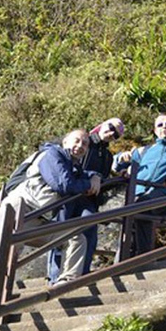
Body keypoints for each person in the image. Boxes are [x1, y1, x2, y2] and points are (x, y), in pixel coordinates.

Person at [2, 129, 101, 283]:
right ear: (65, 142)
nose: (80, 146)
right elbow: (63, 184)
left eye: (85, 144)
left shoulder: (72, 165)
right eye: (77, 140)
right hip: (21, 209)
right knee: (10, 249)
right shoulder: (52, 155)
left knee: (76, 238)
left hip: (38, 218)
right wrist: (89, 184)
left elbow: (81, 175)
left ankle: (67, 282)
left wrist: (96, 176)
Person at [47, 118, 123, 285]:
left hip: (88, 199)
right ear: (103, 124)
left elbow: (102, 180)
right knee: (61, 232)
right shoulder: (81, 142)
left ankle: (82, 274)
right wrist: (92, 177)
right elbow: (69, 169)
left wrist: (115, 179)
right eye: (111, 127)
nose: (111, 133)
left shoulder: (108, 156)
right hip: (68, 195)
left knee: (88, 230)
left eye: (116, 134)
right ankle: (54, 277)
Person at [114, 113, 166, 256]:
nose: (164, 127)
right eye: (160, 125)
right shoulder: (144, 150)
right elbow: (116, 166)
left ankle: (143, 258)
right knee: (130, 216)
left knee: (141, 208)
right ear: (155, 130)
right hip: (137, 192)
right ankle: (126, 261)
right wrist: (121, 158)